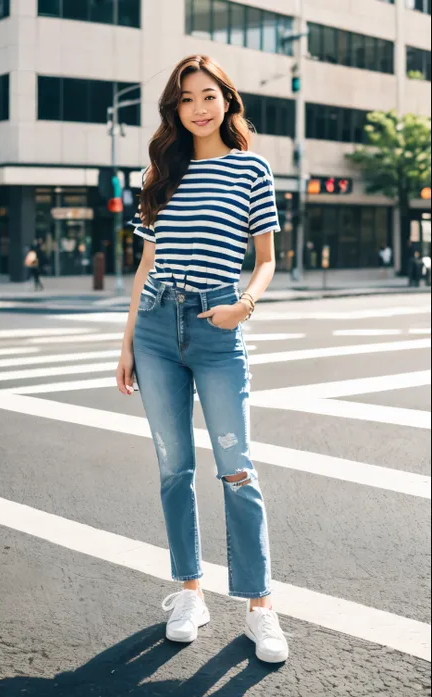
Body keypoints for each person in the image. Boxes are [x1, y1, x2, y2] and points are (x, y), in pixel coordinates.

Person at [116, 55, 289, 665]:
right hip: (158, 328)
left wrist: (246, 304)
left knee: (237, 470)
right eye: (186, 99)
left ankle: (260, 606)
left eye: (208, 95)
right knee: (173, 469)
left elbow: (266, 258)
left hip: (219, 326)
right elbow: (144, 265)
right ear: (175, 109)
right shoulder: (158, 173)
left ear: (227, 101)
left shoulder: (251, 169)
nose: (198, 107)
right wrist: (127, 341)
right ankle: (190, 592)